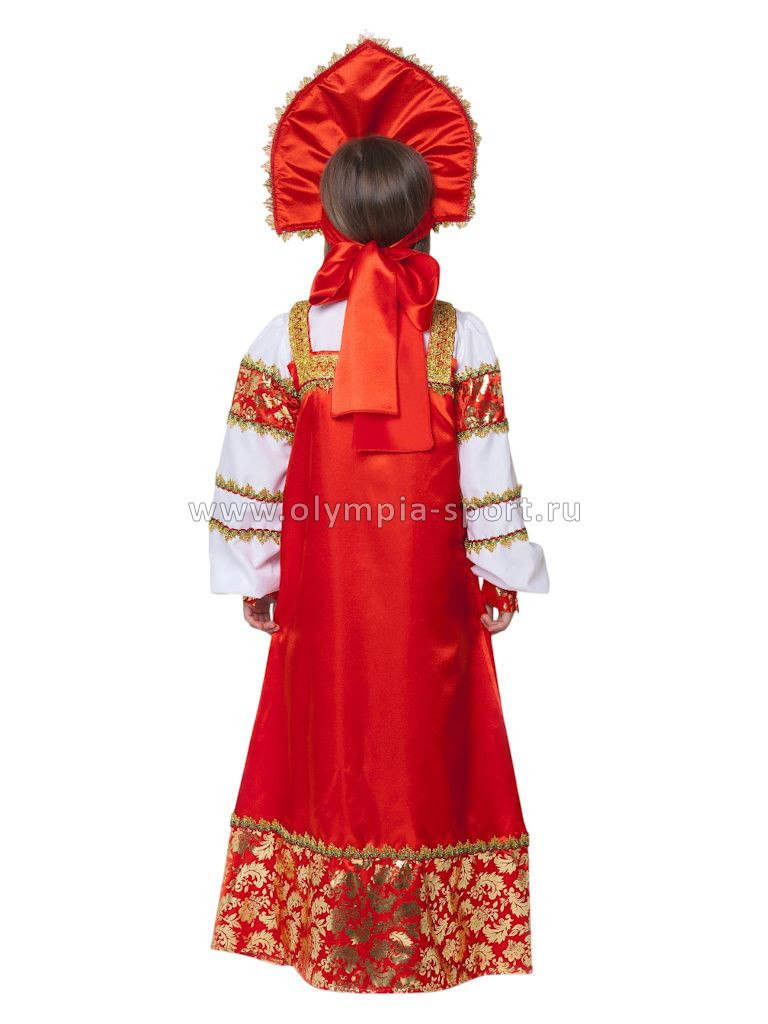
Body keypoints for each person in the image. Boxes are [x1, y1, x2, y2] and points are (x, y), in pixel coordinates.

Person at [208, 36, 549, 993]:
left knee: (329, 749)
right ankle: (428, 946)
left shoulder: (282, 338)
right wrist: (502, 574)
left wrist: (258, 580)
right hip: (428, 595)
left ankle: (334, 941)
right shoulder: (461, 336)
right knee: (426, 755)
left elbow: (249, 477)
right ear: (424, 212)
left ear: (325, 211)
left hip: (324, 600)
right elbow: (487, 474)